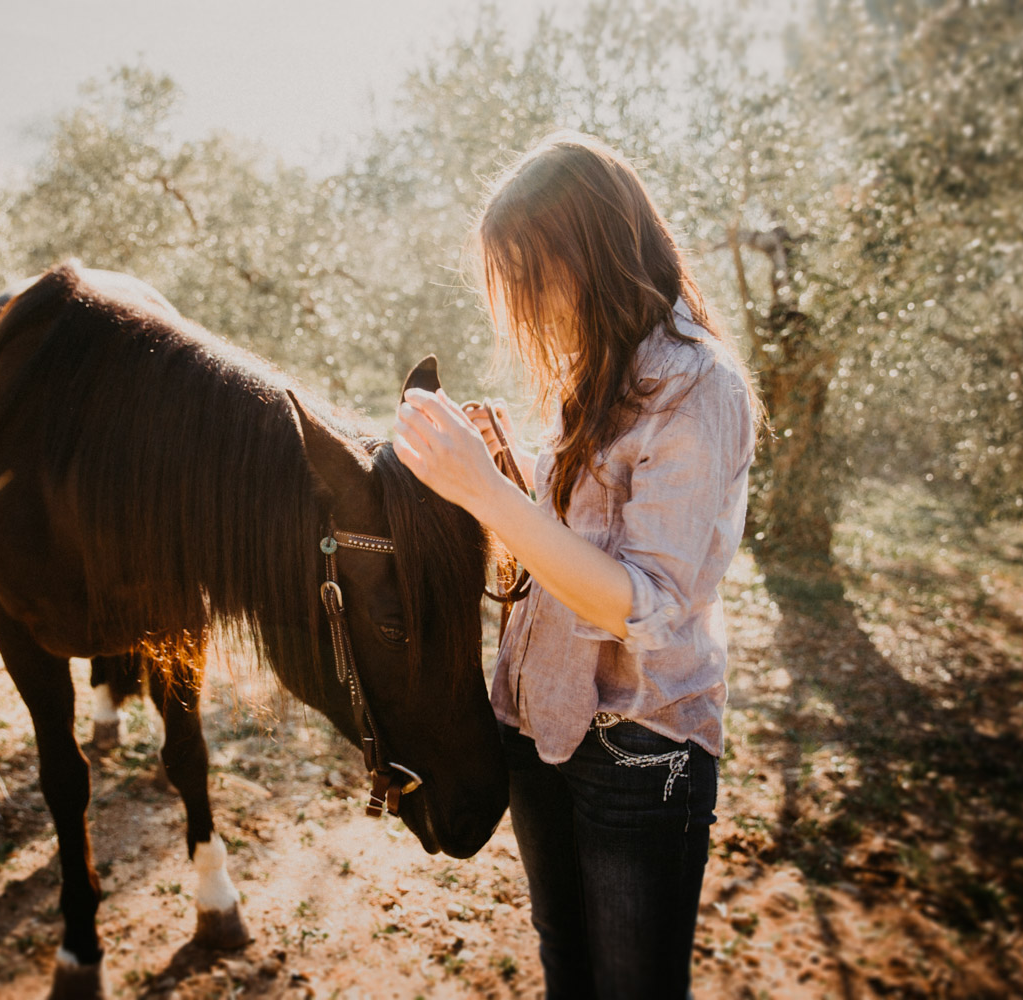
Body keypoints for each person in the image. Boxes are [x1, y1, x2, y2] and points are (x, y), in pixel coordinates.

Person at [392, 131, 761, 998]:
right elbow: (569, 550)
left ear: (593, 250)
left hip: (642, 745)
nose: (523, 306)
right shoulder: (591, 373)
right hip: (533, 721)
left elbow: (649, 603)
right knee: (567, 965)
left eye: (530, 275)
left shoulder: (698, 388)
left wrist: (490, 494)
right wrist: (510, 471)